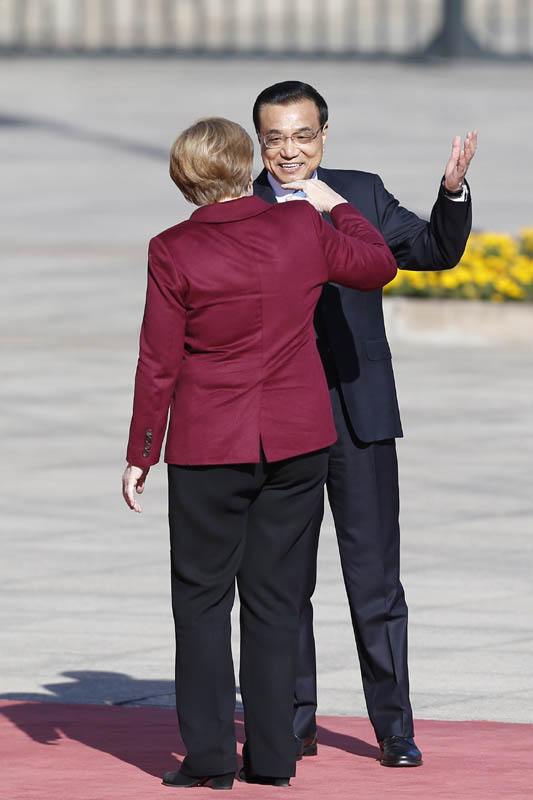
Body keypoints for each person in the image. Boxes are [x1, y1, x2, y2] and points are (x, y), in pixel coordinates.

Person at [122, 117, 397, 789]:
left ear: (183, 179)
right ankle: (273, 760)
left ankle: (212, 759)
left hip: (208, 446)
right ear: (247, 163)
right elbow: (378, 265)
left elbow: (158, 361)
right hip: (297, 441)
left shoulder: (171, 248)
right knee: (277, 602)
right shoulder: (302, 226)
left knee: (201, 602)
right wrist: (335, 204)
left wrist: (142, 451)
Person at [252, 81, 477, 768]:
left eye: (303, 136)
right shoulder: (240, 205)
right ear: (259, 142)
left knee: (375, 579)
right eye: (275, 138)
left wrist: (452, 195)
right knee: (283, 581)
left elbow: (433, 250)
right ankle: (293, 722)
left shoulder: (360, 192)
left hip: (359, 413)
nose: (290, 151)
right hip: (279, 418)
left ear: (324, 135)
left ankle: (393, 727)